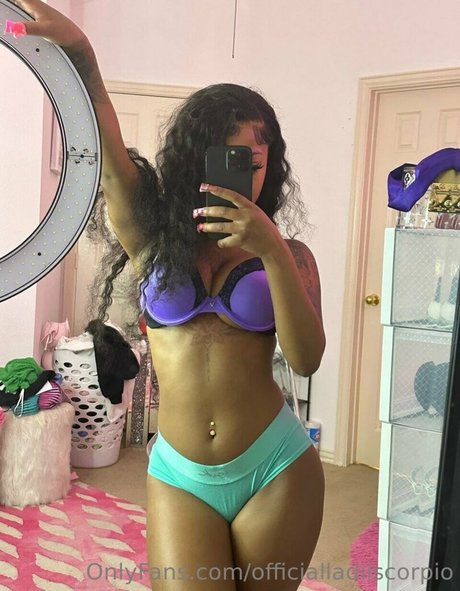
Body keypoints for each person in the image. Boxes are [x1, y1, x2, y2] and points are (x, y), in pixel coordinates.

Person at [13, 1, 326, 589]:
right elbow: (109, 160)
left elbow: (306, 359)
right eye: (224, 159)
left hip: (276, 464)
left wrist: (272, 249)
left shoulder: (291, 254)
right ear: (191, 161)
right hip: (180, 473)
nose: (242, 175)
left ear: (271, 165)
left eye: (253, 162)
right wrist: (81, 55)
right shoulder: (151, 236)